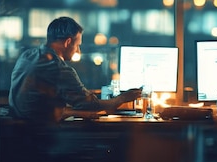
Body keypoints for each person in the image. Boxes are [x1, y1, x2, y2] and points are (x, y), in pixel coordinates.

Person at [8, 16, 141, 122]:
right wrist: (121, 99)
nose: (78, 50)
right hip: (42, 135)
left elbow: (37, 106)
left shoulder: (27, 56)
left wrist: (72, 112)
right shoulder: (58, 68)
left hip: (19, 131)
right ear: (68, 42)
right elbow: (89, 104)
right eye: (77, 45)